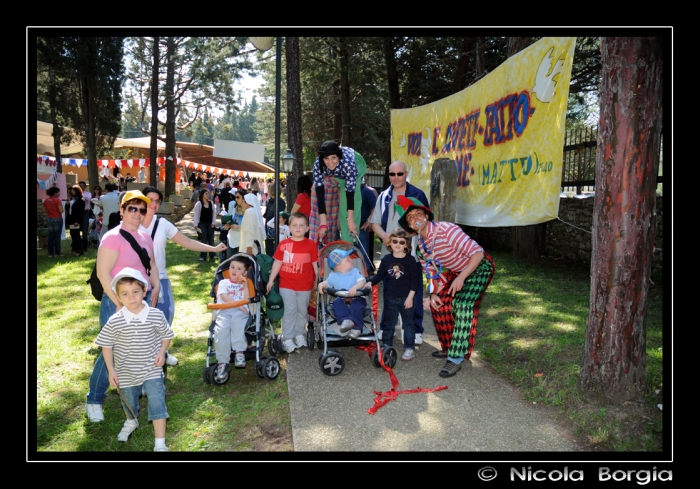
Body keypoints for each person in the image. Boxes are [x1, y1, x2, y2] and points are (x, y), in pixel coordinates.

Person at [396, 195, 496, 378]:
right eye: (411, 218)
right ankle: (449, 346)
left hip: (478, 268)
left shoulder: (447, 230)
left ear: (426, 216)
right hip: (455, 273)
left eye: (418, 214)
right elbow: (431, 273)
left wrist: (462, 278)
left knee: (462, 305)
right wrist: (433, 293)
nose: (416, 219)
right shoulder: (420, 247)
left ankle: (456, 358)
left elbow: (477, 253)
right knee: (439, 306)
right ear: (409, 226)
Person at [86, 190, 161, 423]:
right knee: (112, 351)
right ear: (122, 210)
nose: (138, 213)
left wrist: (156, 287)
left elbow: (151, 264)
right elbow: (102, 273)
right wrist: (119, 303)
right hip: (116, 302)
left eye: (142, 209)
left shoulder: (145, 236)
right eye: (132, 208)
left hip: (142, 300)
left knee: (140, 346)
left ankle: (137, 390)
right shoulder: (113, 237)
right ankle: (94, 399)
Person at [95, 267, 174, 452]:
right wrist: (111, 370)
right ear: (118, 296)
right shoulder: (115, 321)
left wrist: (162, 352)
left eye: (136, 292)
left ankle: (160, 444)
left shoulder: (155, 315)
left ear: (144, 291)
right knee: (129, 401)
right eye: (125, 294)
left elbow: (166, 334)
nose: (131, 297)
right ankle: (131, 420)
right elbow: (106, 345)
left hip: (151, 368)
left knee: (157, 399)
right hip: (125, 370)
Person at [141, 186, 227, 337]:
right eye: (150, 200)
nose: (153, 204)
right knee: (141, 324)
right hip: (136, 281)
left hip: (159, 277)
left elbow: (187, 242)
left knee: (165, 317)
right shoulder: (132, 223)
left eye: (157, 201)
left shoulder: (162, 224)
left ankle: (162, 353)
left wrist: (213, 249)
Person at [369, 160, 429, 345]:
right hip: (390, 253)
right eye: (392, 174)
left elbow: (425, 223)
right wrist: (386, 237)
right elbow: (375, 223)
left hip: (410, 252)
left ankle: (415, 329)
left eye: (399, 174)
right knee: (390, 290)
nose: (396, 178)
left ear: (406, 174)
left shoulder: (417, 194)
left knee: (413, 288)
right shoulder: (384, 196)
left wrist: (409, 235)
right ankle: (388, 327)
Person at [364, 229, 421, 361]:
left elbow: (415, 281)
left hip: (406, 298)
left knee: (408, 324)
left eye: (401, 242)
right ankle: (386, 346)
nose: (398, 244)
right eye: (395, 241)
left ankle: (409, 348)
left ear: (406, 245)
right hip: (390, 297)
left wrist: (410, 298)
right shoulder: (386, 259)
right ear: (390, 243)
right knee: (389, 323)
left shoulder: (411, 260)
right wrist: (370, 283)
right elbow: (379, 275)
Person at [266, 213, 319, 353]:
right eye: (295, 225)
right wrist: (271, 280)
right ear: (289, 227)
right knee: (290, 311)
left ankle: (299, 334)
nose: (298, 228)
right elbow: (277, 263)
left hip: (305, 285)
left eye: (302, 225)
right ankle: (287, 338)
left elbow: (315, 264)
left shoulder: (310, 245)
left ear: (307, 228)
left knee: (302, 311)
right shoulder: (284, 245)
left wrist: (319, 279)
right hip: (287, 285)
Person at [310, 140, 365, 244]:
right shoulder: (318, 164)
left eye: (333, 158)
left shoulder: (349, 164)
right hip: (339, 173)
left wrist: (350, 221)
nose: (330, 162)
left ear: (338, 157)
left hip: (357, 164)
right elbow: (320, 195)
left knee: (346, 205)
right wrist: (323, 223)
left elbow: (350, 194)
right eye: (326, 158)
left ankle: (349, 243)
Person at [213, 256, 252, 380]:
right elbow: (223, 296)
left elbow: (247, 299)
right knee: (221, 330)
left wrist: (245, 286)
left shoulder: (245, 284)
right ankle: (222, 361)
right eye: (232, 267)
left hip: (239, 313)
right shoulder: (223, 283)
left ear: (245, 273)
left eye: (239, 269)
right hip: (225, 311)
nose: (234, 270)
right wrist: (238, 305)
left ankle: (239, 352)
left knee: (237, 323)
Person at [318, 249, 366, 339]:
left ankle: (357, 328)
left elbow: (362, 282)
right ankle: (346, 320)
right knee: (337, 303)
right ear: (339, 266)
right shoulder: (333, 275)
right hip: (341, 299)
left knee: (357, 306)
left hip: (357, 298)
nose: (351, 260)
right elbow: (326, 283)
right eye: (348, 259)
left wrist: (355, 287)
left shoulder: (355, 271)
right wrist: (321, 284)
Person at [193, 187, 217, 262]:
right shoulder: (199, 204)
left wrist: (213, 223)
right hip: (202, 223)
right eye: (206, 194)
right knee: (203, 239)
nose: (207, 195)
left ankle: (212, 255)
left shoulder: (211, 203)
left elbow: (214, 214)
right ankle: (203, 256)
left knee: (211, 239)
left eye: (208, 194)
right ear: (202, 195)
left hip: (210, 224)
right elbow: (196, 215)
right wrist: (196, 224)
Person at [359, 178, 378, 271]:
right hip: (350, 228)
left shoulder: (367, 191)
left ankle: (366, 277)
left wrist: (368, 221)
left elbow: (376, 207)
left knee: (364, 254)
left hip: (362, 228)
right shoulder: (349, 191)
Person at [264, 184, 286, 255]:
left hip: (274, 228)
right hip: (268, 227)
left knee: (273, 250)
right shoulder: (270, 200)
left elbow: (279, 215)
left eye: (269, 190)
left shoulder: (280, 201)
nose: (267, 191)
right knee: (268, 249)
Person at [223, 188, 246, 258]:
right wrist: (228, 226)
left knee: (240, 262)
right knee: (230, 260)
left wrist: (239, 227)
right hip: (232, 238)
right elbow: (233, 220)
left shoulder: (248, 211)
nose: (236, 199)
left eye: (238, 197)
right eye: (235, 197)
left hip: (242, 239)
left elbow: (251, 226)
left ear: (244, 198)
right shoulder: (235, 208)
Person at [43, 186, 64, 258]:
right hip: (57, 218)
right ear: (55, 193)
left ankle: (50, 253)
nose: (59, 193)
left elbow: (44, 210)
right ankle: (57, 253)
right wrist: (62, 209)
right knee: (57, 236)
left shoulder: (46, 200)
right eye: (58, 192)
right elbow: (60, 210)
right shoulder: (57, 200)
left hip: (49, 219)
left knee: (51, 236)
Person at [66, 184, 85, 257]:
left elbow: (81, 212)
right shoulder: (72, 199)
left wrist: (77, 221)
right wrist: (67, 203)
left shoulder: (81, 200)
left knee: (76, 235)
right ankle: (75, 248)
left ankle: (79, 250)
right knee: (72, 234)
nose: (72, 191)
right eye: (71, 190)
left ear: (77, 191)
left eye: (73, 190)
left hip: (76, 219)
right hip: (71, 218)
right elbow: (68, 209)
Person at [79, 181, 92, 253]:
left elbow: (88, 199)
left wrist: (82, 194)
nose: (81, 187)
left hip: (85, 212)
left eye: (82, 186)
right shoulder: (76, 194)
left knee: (85, 230)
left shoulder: (88, 194)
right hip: (78, 213)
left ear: (85, 187)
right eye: (80, 186)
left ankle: (85, 246)